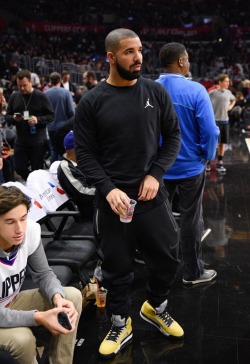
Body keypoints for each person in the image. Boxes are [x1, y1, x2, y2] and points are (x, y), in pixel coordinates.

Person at [74, 28, 184, 359]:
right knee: (117, 267)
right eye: (128, 52)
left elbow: (174, 136)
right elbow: (85, 153)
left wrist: (156, 173)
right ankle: (121, 322)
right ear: (110, 57)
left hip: (152, 198)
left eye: (139, 50)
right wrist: (106, 189)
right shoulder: (92, 101)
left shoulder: (155, 92)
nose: (137, 57)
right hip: (113, 203)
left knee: (168, 257)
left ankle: (156, 306)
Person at [156, 42, 220, 286]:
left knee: (159, 220)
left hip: (159, 170)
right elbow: (210, 131)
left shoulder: (149, 89)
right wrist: (206, 155)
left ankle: (159, 272)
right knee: (191, 219)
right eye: (188, 59)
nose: (189, 63)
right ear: (181, 61)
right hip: (191, 168)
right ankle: (192, 272)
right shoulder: (196, 90)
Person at [0, 185, 82, 363]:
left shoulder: (28, 231)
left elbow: (44, 273)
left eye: (23, 218)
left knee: (71, 297)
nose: (20, 229)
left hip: (10, 303)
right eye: (10, 222)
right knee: (23, 339)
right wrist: (38, 317)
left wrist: (57, 297)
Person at [5, 69, 54, 181]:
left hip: (37, 142)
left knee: (37, 171)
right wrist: (13, 118)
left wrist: (38, 120)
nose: (22, 88)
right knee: (19, 167)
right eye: (19, 86)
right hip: (21, 141)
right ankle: (31, 182)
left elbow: (51, 116)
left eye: (24, 85)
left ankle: (36, 189)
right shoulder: (14, 96)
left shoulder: (41, 96)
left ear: (31, 82)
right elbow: (7, 116)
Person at [57, 130, 95, 221]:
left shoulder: (83, 160)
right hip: (90, 209)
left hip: (98, 201)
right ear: (76, 149)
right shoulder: (65, 167)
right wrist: (106, 190)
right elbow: (83, 193)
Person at [45, 72, 75, 163]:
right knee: (64, 152)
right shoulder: (65, 92)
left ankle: (52, 173)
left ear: (50, 81)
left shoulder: (45, 93)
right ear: (60, 80)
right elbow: (71, 111)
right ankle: (62, 173)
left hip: (50, 127)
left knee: (54, 150)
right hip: (64, 128)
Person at [208, 73, 236, 173]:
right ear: (220, 82)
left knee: (222, 143)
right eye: (226, 81)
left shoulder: (228, 92)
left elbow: (234, 99)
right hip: (214, 121)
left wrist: (231, 106)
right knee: (213, 143)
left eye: (228, 81)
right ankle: (208, 162)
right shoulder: (212, 93)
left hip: (225, 120)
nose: (228, 83)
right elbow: (205, 103)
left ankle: (220, 162)